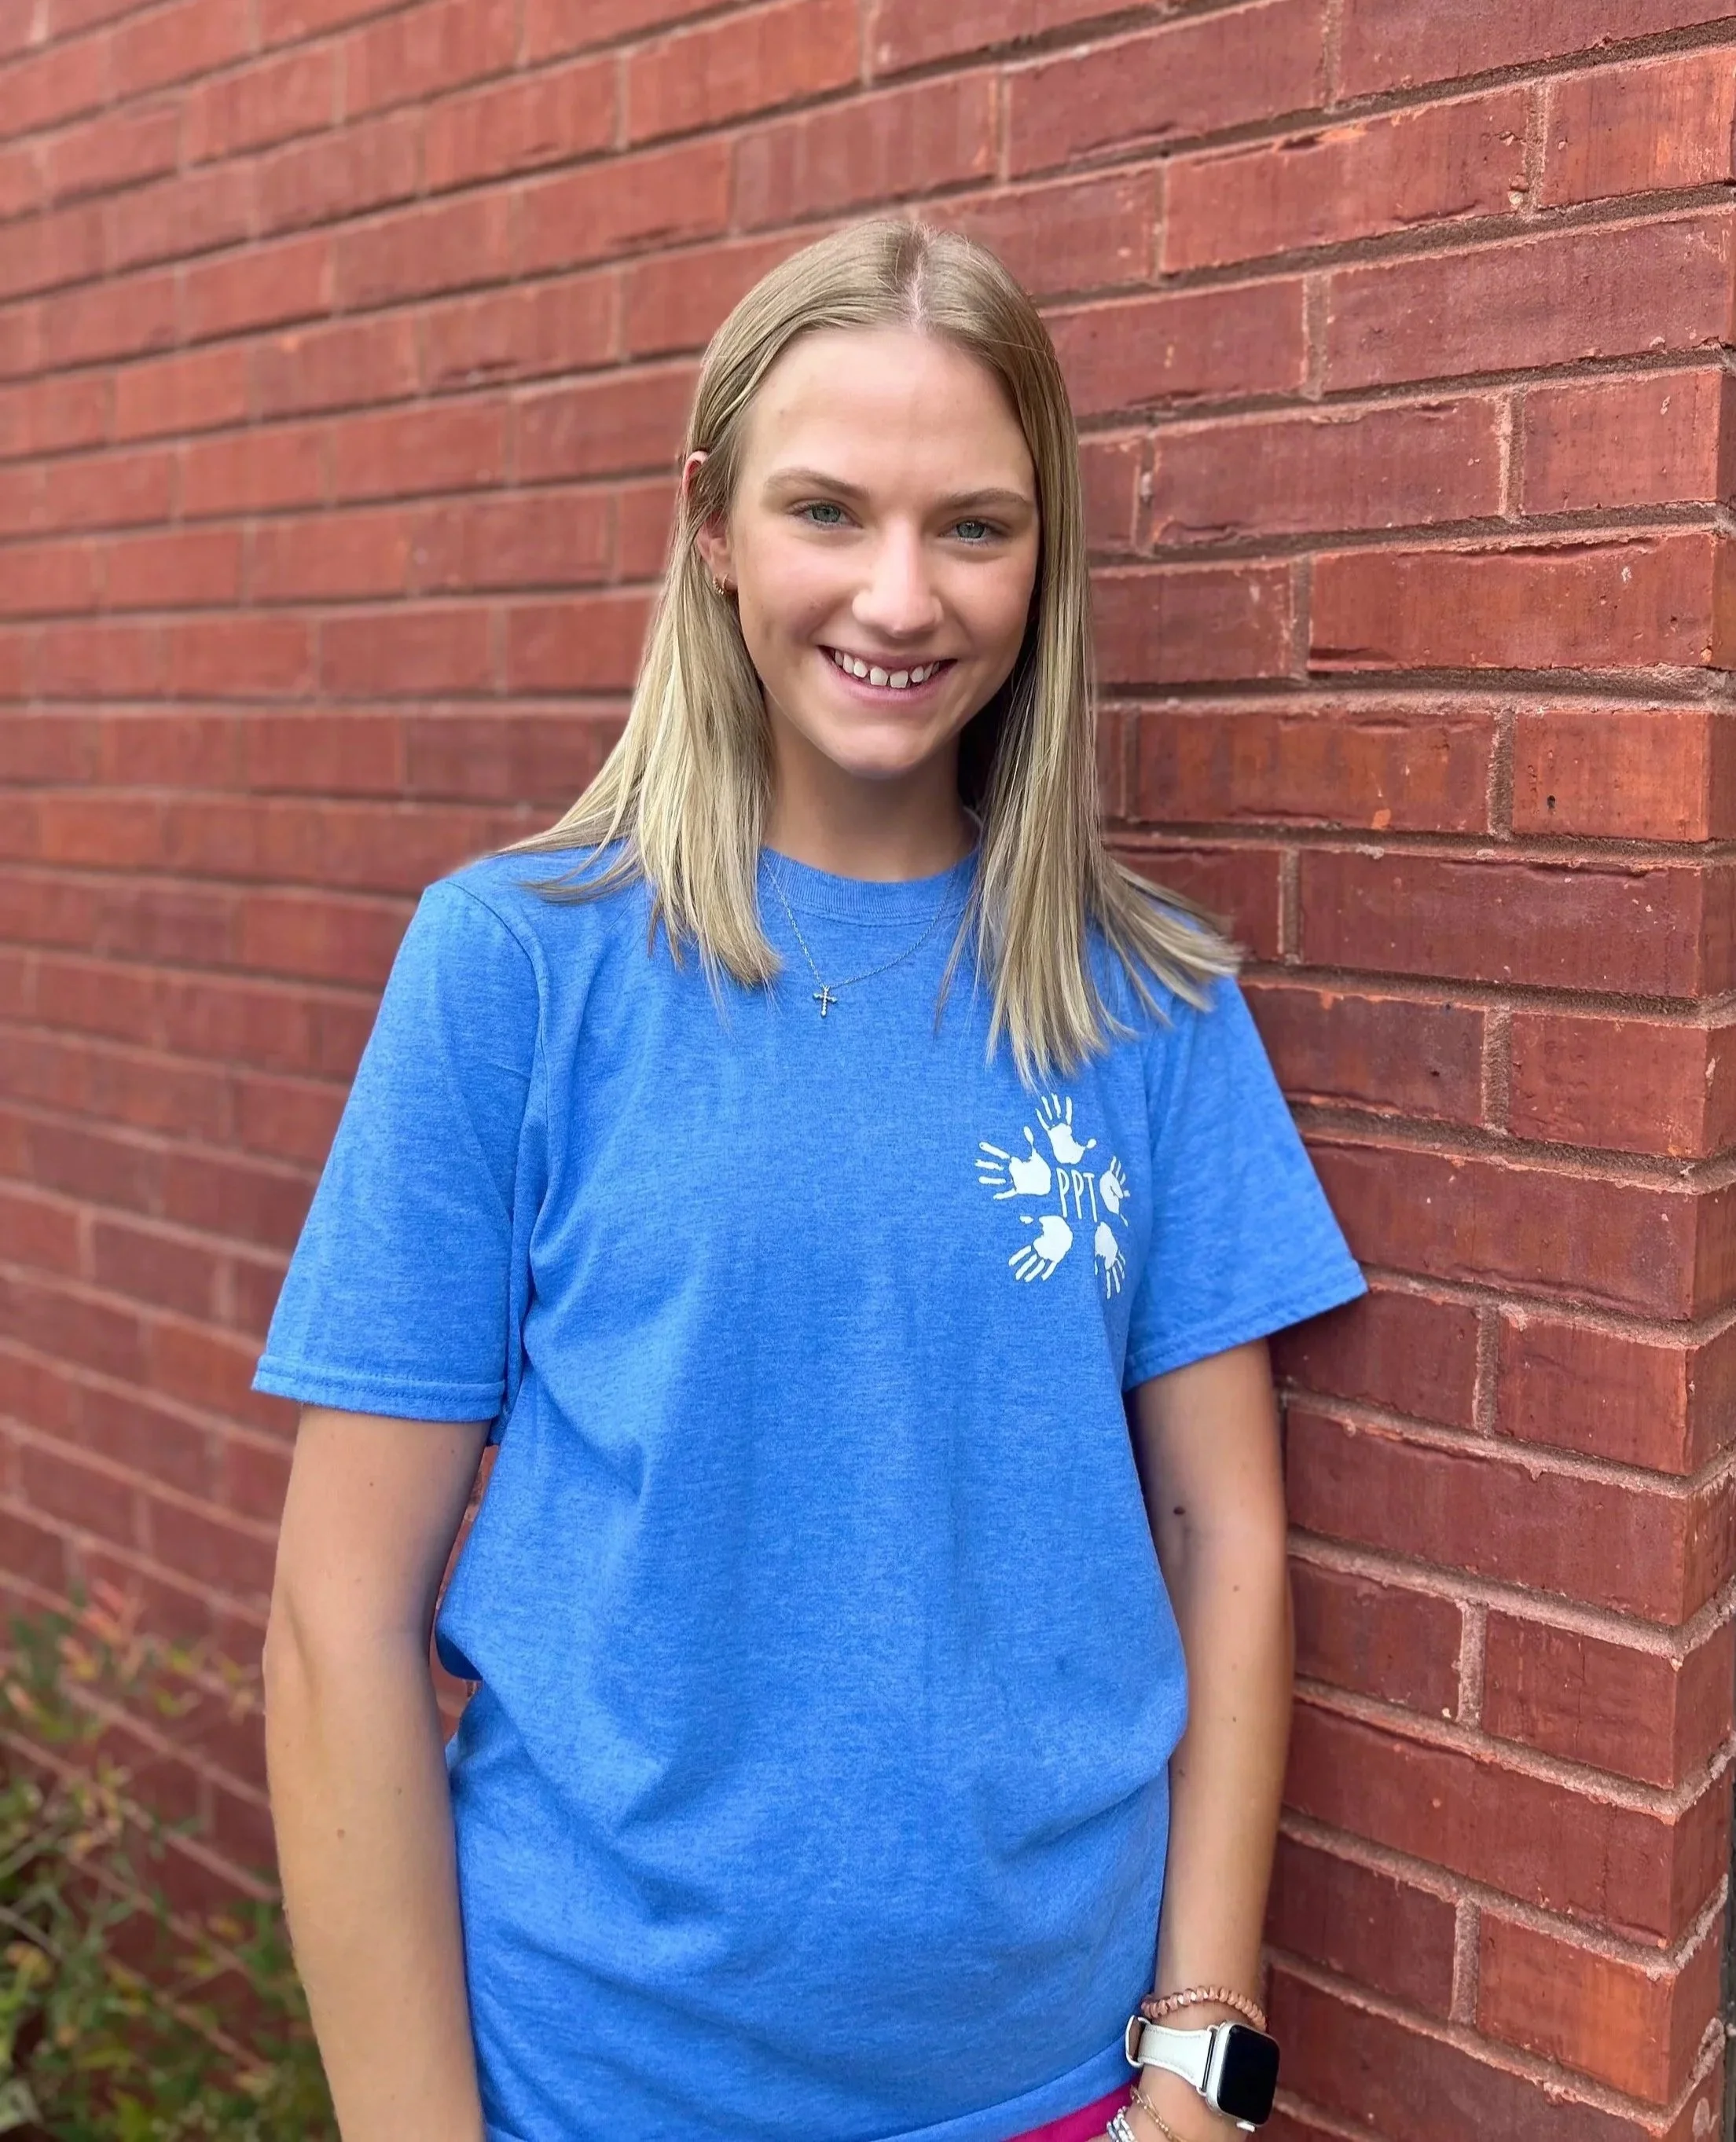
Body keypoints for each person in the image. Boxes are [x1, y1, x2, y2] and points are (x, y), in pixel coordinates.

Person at [255, 217, 1367, 2142]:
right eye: (828, 510)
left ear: (1046, 553)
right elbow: (335, 1613)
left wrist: (1201, 2048)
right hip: (593, 2083)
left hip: (1050, 2084)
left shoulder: (1150, 1004)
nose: (900, 595)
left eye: (975, 526)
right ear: (711, 524)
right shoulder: (519, 967)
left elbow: (1226, 1541)